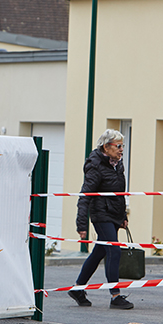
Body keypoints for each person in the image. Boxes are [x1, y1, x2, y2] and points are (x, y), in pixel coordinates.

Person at [68, 129, 134, 310]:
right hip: (100, 214)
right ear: (106, 147)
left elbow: (119, 193)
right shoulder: (95, 166)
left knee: (100, 252)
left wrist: (123, 216)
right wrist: (81, 224)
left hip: (114, 214)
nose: (121, 150)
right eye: (118, 146)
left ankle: (78, 289)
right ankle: (116, 296)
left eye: (123, 146)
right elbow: (85, 196)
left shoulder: (118, 164)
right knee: (114, 250)